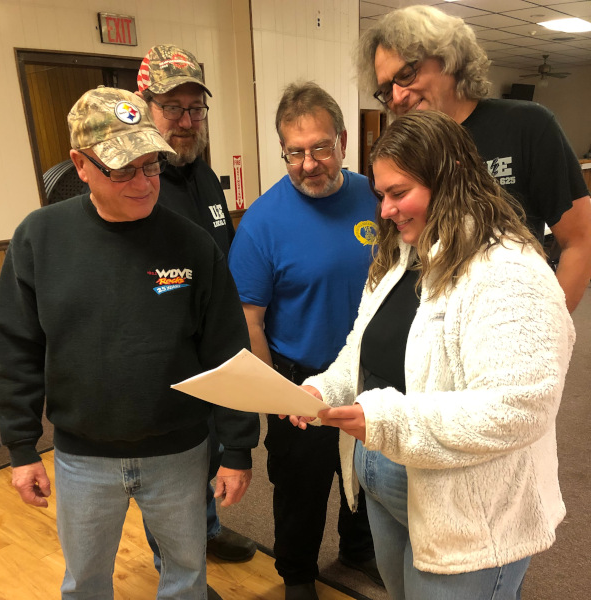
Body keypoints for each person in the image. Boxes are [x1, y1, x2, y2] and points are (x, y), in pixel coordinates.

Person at [291, 109, 575, 600]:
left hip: (468, 509)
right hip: (387, 479)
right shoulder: (402, 255)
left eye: (399, 193)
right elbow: (361, 348)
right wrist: (325, 387)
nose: (384, 209)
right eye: (381, 195)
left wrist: (383, 419)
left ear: (452, 180)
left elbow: (519, 406)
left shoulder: (508, 267)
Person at [0, 86, 259, 599]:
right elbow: (15, 350)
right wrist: (22, 448)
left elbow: (227, 351)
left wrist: (239, 447)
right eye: (122, 169)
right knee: (85, 582)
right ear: (80, 164)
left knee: (186, 576)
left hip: (180, 451)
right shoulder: (38, 239)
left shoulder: (192, 244)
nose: (143, 182)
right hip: (81, 458)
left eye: (152, 165)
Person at [228, 81, 380, 600]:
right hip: (302, 381)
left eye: (320, 147)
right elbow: (250, 320)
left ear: (342, 139)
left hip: (373, 377)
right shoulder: (262, 224)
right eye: (295, 152)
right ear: (283, 151)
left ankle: (359, 550)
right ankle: (296, 574)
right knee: (302, 488)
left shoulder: (373, 195)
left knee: (368, 473)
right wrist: (273, 399)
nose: (309, 163)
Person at [356, 4, 591, 313]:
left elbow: (580, 241)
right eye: (386, 89)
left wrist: (550, 327)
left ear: (450, 59)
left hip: (503, 319)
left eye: (406, 74)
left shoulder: (527, 126)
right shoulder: (407, 147)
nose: (397, 97)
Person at [137, 44, 257, 568]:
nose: (187, 121)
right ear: (145, 108)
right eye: (173, 108)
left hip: (211, 350)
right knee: (170, 472)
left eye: (195, 109)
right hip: (163, 359)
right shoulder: (138, 184)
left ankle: (204, 531)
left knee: (206, 455)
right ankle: (172, 566)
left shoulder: (204, 178)